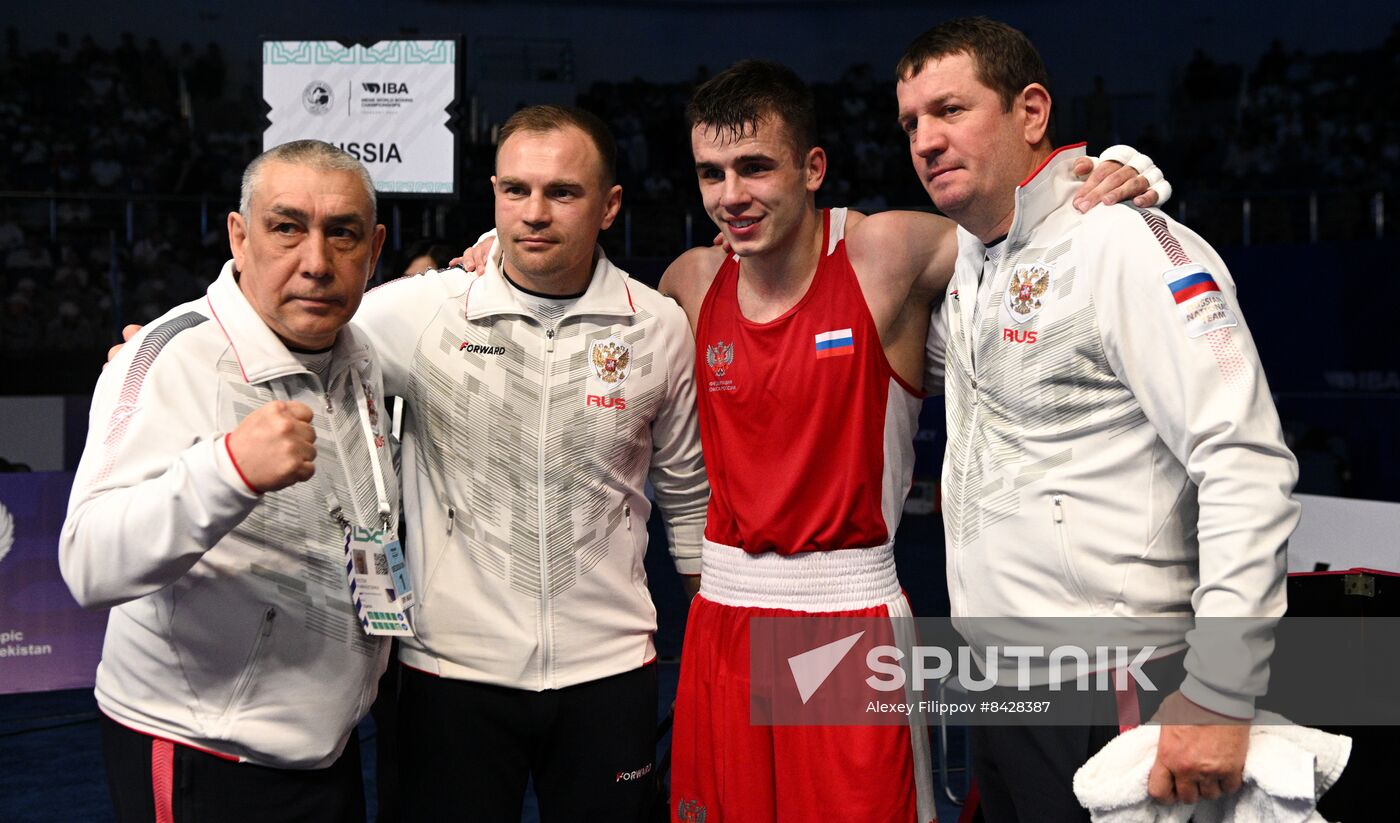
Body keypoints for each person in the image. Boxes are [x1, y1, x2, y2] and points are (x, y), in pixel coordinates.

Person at [653, 60, 1167, 823]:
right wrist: (492, 258)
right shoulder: (690, 281)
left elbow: (1024, 233)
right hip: (721, 624)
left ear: (812, 168)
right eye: (711, 173)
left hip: (843, 617)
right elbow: (593, 300)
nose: (732, 196)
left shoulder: (882, 253)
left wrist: (1120, 175)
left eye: (755, 167)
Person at [901, 18, 1300, 820]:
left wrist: (1221, 690)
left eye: (950, 109)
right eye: (910, 122)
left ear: (1032, 112)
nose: (926, 139)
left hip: (1116, 681)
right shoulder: (971, 265)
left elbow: (1245, 459)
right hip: (1003, 687)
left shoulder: (1127, 243)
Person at [355, 104, 707, 821]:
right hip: (449, 676)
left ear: (609, 205)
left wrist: (706, 637)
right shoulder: (420, 313)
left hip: (609, 675)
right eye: (515, 191)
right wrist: (157, 343)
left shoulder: (659, 325)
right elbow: (287, 322)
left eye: (562, 192)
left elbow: (686, 489)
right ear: (493, 195)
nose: (535, 212)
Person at [62, 139, 394, 823]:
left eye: (343, 234)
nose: (316, 261)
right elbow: (87, 561)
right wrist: (228, 469)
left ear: (375, 248)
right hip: (203, 753)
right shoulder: (169, 355)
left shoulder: (358, 354)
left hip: (325, 751)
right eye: (287, 227)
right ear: (239, 237)